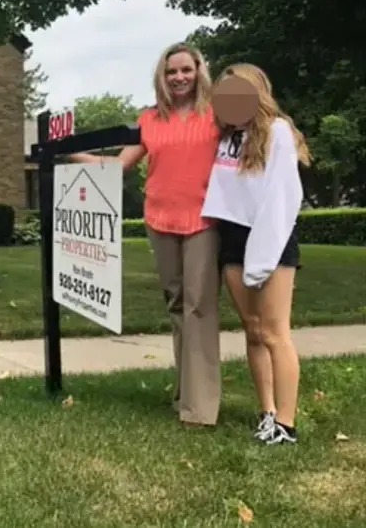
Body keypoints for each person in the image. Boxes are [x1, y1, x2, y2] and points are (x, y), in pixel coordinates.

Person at [67, 42, 223, 428]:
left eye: (186, 70)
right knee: (176, 304)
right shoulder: (150, 120)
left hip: (206, 220)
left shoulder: (217, 115)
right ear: (162, 76)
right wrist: (69, 152)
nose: (179, 77)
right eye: (172, 72)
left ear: (199, 71)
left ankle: (200, 408)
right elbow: (119, 164)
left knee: (199, 307)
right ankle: (186, 391)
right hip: (160, 220)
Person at [201, 63, 312, 445]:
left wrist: (262, 257)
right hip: (232, 236)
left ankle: (286, 423)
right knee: (252, 329)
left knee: (275, 332)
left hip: (271, 237)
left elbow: (283, 198)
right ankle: (266, 412)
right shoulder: (226, 136)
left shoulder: (278, 132)